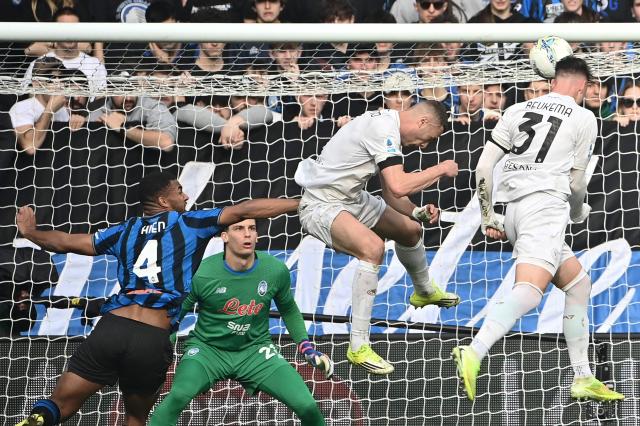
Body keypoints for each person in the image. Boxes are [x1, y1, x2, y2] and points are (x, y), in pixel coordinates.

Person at [15, 171, 300, 426]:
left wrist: (30, 232)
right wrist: (300, 203)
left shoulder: (123, 231)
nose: (186, 195)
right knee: (136, 417)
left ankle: (39, 418)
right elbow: (246, 210)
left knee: (60, 404)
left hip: (112, 327)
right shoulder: (190, 223)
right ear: (164, 201)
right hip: (151, 336)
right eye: (179, 191)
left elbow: (66, 242)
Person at [451, 56, 625, 402]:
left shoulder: (517, 109)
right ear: (582, 86)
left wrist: (488, 216)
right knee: (530, 291)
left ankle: (583, 376)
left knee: (578, 284)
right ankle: (474, 350)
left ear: (553, 79)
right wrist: (578, 212)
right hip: (545, 208)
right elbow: (576, 185)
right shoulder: (584, 117)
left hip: (514, 210)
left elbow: (484, 167)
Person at [294, 101, 460, 375]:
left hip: (351, 199)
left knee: (410, 230)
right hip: (321, 205)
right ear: (422, 122)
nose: (425, 146)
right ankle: (358, 345)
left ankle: (424, 291)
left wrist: (416, 212)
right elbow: (398, 184)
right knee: (373, 248)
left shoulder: (387, 128)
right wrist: (441, 169)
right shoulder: (383, 128)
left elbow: (391, 193)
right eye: (430, 138)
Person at [148, 218, 331, 425]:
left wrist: (306, 347)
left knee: (307, 406)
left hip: (255, 351)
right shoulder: (201, 273)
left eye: (252, 229)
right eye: (239, 228)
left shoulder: (275, 270)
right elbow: (175, 317)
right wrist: (158, 350)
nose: (247, 234)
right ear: (224, 236)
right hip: (208, 351)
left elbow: (288, 308)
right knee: (178, 396)